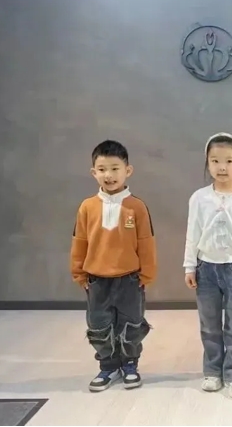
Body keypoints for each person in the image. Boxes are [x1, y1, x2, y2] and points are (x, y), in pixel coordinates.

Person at [70, 140, 157, 392]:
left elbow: (146, 243)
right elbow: (80, 241)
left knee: (131, 324)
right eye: (102, 169)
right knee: (99, 325)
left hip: (130, 279)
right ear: (93, 172)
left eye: (115, 168)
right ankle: (108, 366)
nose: (108, 175)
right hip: (97, 280)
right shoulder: (87, 207)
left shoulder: (136, 207)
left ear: (128, 170)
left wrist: (146, 274)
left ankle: (130, 364)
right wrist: (79, 273)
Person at [183, 132, 232, 400]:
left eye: (229, 161)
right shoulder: (199, 198)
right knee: (209, 324)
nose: (222, 167)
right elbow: (192, 233)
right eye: (215, 161)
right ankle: (212, 371)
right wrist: (189, 266)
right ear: (207, 163)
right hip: (206, 268)